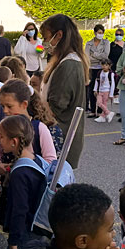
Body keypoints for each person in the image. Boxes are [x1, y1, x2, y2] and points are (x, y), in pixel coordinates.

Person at [0, 115, 51, 249]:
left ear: (14, 142)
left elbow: (19, 209)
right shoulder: (37, 160)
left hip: (25, 230)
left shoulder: (20, 173)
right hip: (38, 223)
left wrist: (13, 240)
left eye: (2, 137)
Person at [39, 14, 89, 169]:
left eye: (45, 37)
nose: (44, 42)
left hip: (60, 139)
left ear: (58, 35)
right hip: (58, 137)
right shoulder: (64, 61)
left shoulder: (69, 65)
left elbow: (56, 107)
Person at [85, 24, 111, 116]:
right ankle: (92, 110)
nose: (101, 34)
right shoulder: (89, 43)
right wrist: (97, 56)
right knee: (92, 89)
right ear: (95, 32)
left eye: (102, 32)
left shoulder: (106, 42)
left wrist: (94, 54)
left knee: (101, 90)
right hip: (91, 68)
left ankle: (100, 111)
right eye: (99, 32)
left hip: (102, 68)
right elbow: (87, 56)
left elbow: (105, 55)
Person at [93, 58, 116, 123]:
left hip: (106, 90)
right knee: (99, 103)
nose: (104, 67)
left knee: (104, 104)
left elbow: (113, 84)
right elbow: (97, 81)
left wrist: (111, 94)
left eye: (106, 65)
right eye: (102, 65)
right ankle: (108, 113)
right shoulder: (100, 72)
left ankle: (102, 116)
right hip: (100, 90)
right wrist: (95, 89)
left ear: (109, 66)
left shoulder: (111, 74)